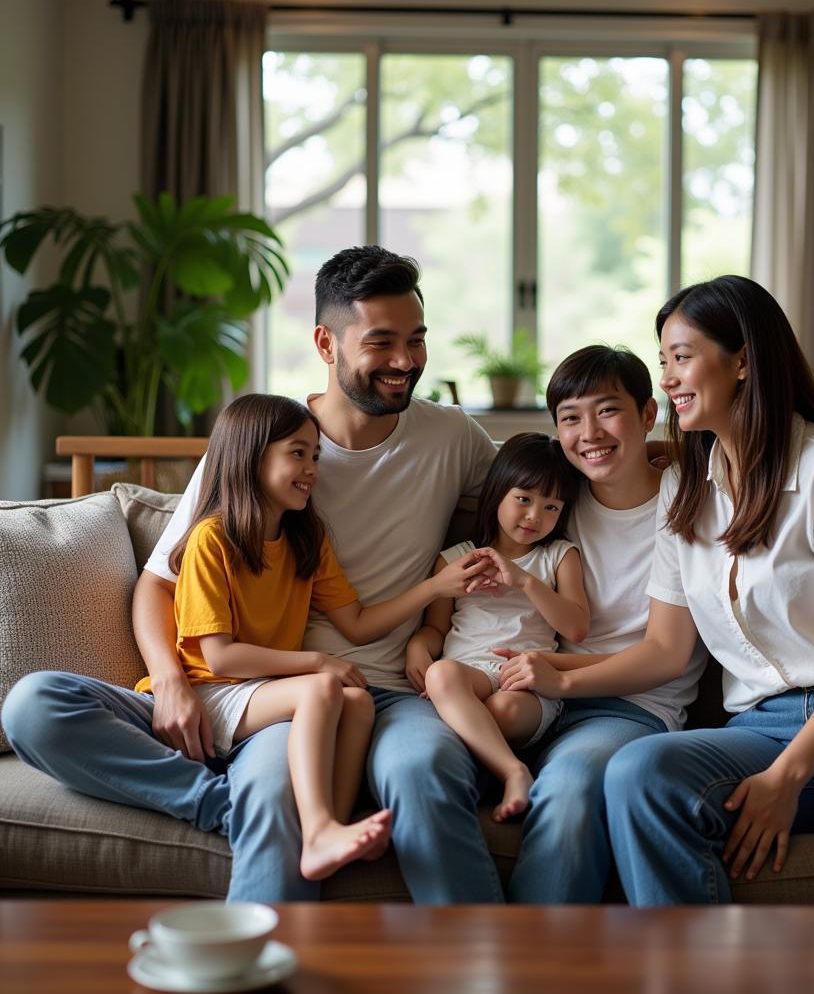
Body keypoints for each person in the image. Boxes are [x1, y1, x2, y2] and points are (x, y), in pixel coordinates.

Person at [502, 276, 814, 992]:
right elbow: (669, 649)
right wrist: (561, 675)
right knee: (639, 775)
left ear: (743, 361)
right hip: (763, 724)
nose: (668, 377)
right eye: (664, 359)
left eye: (681, 357)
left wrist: (785, 779)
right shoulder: (690, 491)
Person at [2, 245, 501, 902]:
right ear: (326, 341)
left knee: (427, 769)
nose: (405, 361)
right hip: (274, 701)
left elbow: (533, 499)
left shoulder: (454, 439)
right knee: (269, 794)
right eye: (381, 342)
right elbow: (159, 583)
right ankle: (264, 961)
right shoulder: (255, 447)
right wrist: (174, 683)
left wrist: (653, 468)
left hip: (394, 694)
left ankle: (482, 963)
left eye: (416, 340)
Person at [156, 393, 490, 880]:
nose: (314, 468)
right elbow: (221, 658)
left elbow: (356, 622)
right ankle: (316, 830)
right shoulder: (213, 538)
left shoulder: (304, 538)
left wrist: (435, 588)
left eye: (316, 455)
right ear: (251, 456)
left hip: (263, 689)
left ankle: (333, 825)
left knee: (357, 702)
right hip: (216, 688)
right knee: (326, 686)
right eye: (298, 453)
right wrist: (317, 662)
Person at [497, 346, 708, 903]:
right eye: (570, 417)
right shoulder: (554, 504)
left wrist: (557, 675)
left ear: (647, 414)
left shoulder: (688, 501)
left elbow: (665, 655)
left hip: (632, 708)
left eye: (607, 411)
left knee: (569, 785)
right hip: (536, 698)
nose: (589, 432)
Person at [407, 432, 588, 823]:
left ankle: (485, 757)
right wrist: (418, 645)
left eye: (551, 506)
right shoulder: (455, 559)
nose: (533, 516)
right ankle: (513, 770)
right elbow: (436, 629)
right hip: (467, 675)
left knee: (502, 709)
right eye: (523, 499)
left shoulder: (558, 556)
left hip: (523, 680)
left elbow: (575, 628)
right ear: (497, 493)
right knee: (441, 673)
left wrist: (523, 580)